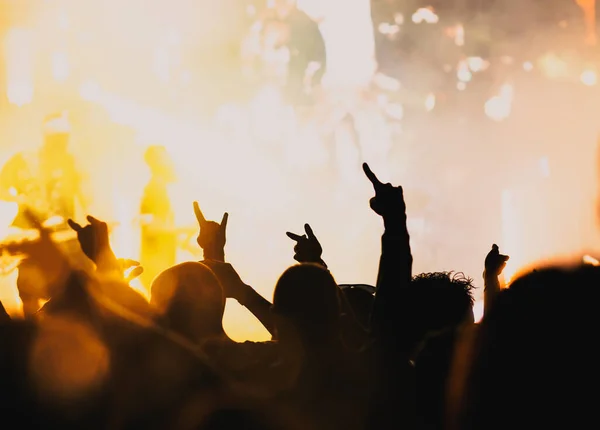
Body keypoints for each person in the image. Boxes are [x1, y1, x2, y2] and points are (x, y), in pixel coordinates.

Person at [0, 112, 85, 229]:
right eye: (57, 140)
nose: (61, 144)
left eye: (64, 139)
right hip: (28, 228)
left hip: (62, 231)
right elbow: (1, 187)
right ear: (47, 138)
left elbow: (86, 200)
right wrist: (20, 200)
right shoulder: (24, 161)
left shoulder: (71, 164)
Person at [139, 145, 178, 290]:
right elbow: (153, 230)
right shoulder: (155, 190)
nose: (172, 163)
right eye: (167, 159)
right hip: (158, 273)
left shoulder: (158, 189)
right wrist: (187, 229)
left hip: (160, 270)